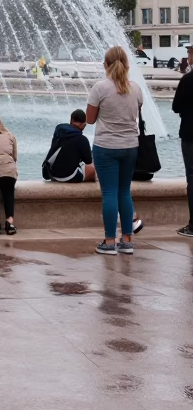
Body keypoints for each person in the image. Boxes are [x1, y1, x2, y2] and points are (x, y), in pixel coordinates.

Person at [86, 45, 142, 255]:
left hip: (106, 146)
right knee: (124, 192)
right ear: (127, 64)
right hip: (130, 146)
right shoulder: (135, 88)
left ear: (105, 65)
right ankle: (126, 240)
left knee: (109, 193)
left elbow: (89, 120)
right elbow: (136, 114)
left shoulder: (100, 88)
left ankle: (109, 242)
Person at [42, 109, 97, 183]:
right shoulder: (82, 139)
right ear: (84, 124)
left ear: (71, 120)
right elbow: (88, 161)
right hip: (69, 177)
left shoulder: (59, 131)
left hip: (51, 174)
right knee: (92, 169)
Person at [172, 46, 193, 237]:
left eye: (190, 53)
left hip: (190, 134)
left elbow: (175, 106)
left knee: (192, 178)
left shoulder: (188, 80)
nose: (188, 57)